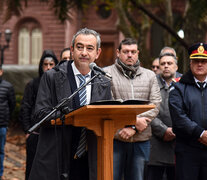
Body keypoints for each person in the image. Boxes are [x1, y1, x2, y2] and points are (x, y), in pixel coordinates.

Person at [28, 28, 111, 180]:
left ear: (97, 53)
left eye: (89, 48)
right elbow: (40, 113)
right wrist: (74, 114)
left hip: (90, 154)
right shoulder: (52, 77)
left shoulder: (103, 81)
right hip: (58, 153)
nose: (84, 52)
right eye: (80, 47)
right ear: (72, 50)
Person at [104, 38, 161, 180]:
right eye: (126, 52)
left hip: (141, 139)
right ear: (118, 53)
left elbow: (155, 104)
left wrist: (134, 127)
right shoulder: (106, 74)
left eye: (133, 52)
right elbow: (108, 105)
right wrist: (132, 122)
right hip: (116, 138)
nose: (130, 55)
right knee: (112, 177)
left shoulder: (150, 75)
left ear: (138, 53)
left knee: (138, 177)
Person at [169, 42, 207, 180]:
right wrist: (201, 134)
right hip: (187, 151)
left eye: (203, 61)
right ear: (190, 63)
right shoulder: (178, 86)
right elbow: (179, 118)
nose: (200, 64)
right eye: (196, 61)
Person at [19, 49, 58, 180]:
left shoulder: (59, 83)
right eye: (45, 64)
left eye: (51, 64)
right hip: (35, 134)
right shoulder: (33, 84)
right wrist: (27, 131)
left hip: (54, 134)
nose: (48, 67)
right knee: (32, 169)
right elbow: (25, 107)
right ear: (41, 66)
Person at [147, 52, 182, 180]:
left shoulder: (184, 83)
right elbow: (147, 109)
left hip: (178, 144)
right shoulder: (150, 83)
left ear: (176, 67)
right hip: (156, 146)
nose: (166, 66)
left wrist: (176, 129)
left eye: (169, 63)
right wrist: (163, 130)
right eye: (163, 64)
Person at [0, 66, 16, 180]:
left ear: (1, 72)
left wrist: (6, 118)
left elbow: (12, 104)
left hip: (2, 125)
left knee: (0, 150)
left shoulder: (8, 86)